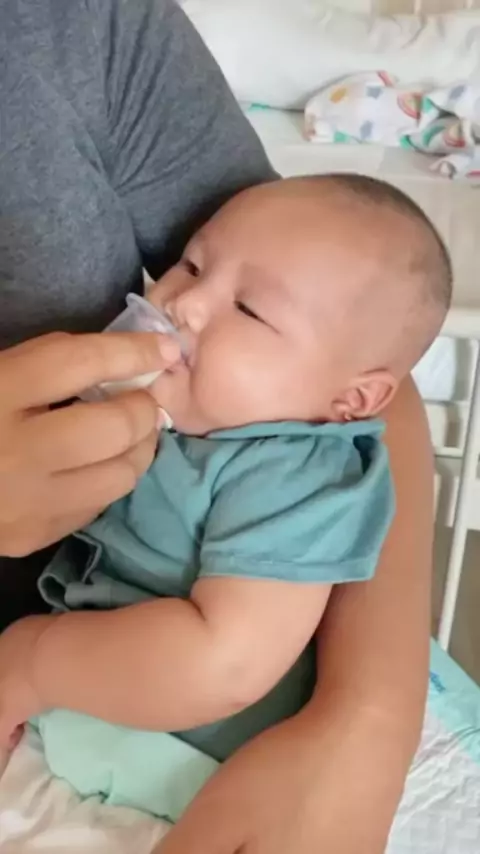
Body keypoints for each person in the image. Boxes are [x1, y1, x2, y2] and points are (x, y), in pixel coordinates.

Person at [0, 2, 435, 852]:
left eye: (249, 309)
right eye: (190, 264)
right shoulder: (207, 419)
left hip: (174, 769)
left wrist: (29, 660)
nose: (183, 303)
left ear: (347, 403)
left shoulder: (292, 474)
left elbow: (225, 660)